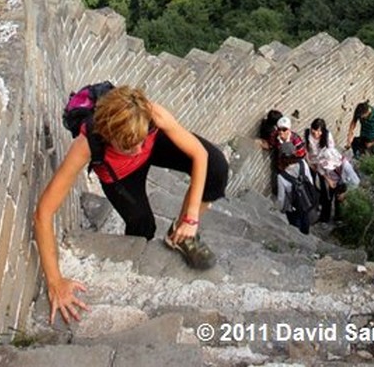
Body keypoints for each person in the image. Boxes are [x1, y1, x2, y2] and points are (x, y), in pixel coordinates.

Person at [34, 85, 229, 324]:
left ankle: (180, 235)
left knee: (217, 167)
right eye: (128, 146)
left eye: (140, 139)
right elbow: (44, 213)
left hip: (155, 149)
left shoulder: (152, 115)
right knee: (142, 225)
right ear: (108, 135)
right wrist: (55, 282)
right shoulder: (87, 146)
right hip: (119, 174)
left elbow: (200, 154)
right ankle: (138, 256)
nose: (137, 150)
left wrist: (190, 218)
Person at [305, 118, 359, 222]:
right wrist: (328, 179)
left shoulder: (345, 166)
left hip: (342, 180)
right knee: (327, 197)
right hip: (330, 177)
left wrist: (345, 194)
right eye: (314, 131)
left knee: (339, 199)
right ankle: (325, 217)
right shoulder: (323, 161)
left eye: (319, 131)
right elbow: (321, 168)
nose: (316, 134)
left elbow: (356, 182)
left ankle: (338, 219)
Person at [277, 141, 317, 235]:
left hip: (293, 208)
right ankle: (306, 237)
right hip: (306, 203)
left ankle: (297, 241)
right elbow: (310, 180)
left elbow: (281, 198)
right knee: (305, 221)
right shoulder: (302, 163)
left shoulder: (282, 177)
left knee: (295, 228)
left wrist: (280, 210)